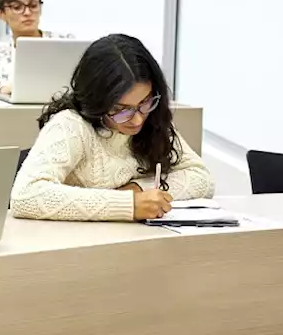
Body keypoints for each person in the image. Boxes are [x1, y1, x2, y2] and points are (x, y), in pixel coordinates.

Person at [12, 34, 213, 221]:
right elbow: (26, 196)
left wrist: (138, 189)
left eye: (145, 102)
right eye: (121, 110)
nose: (137, 120)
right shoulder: (71, 126)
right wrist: (127, 204)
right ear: (97, 102)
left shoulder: (153, 120)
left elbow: (201, 177)